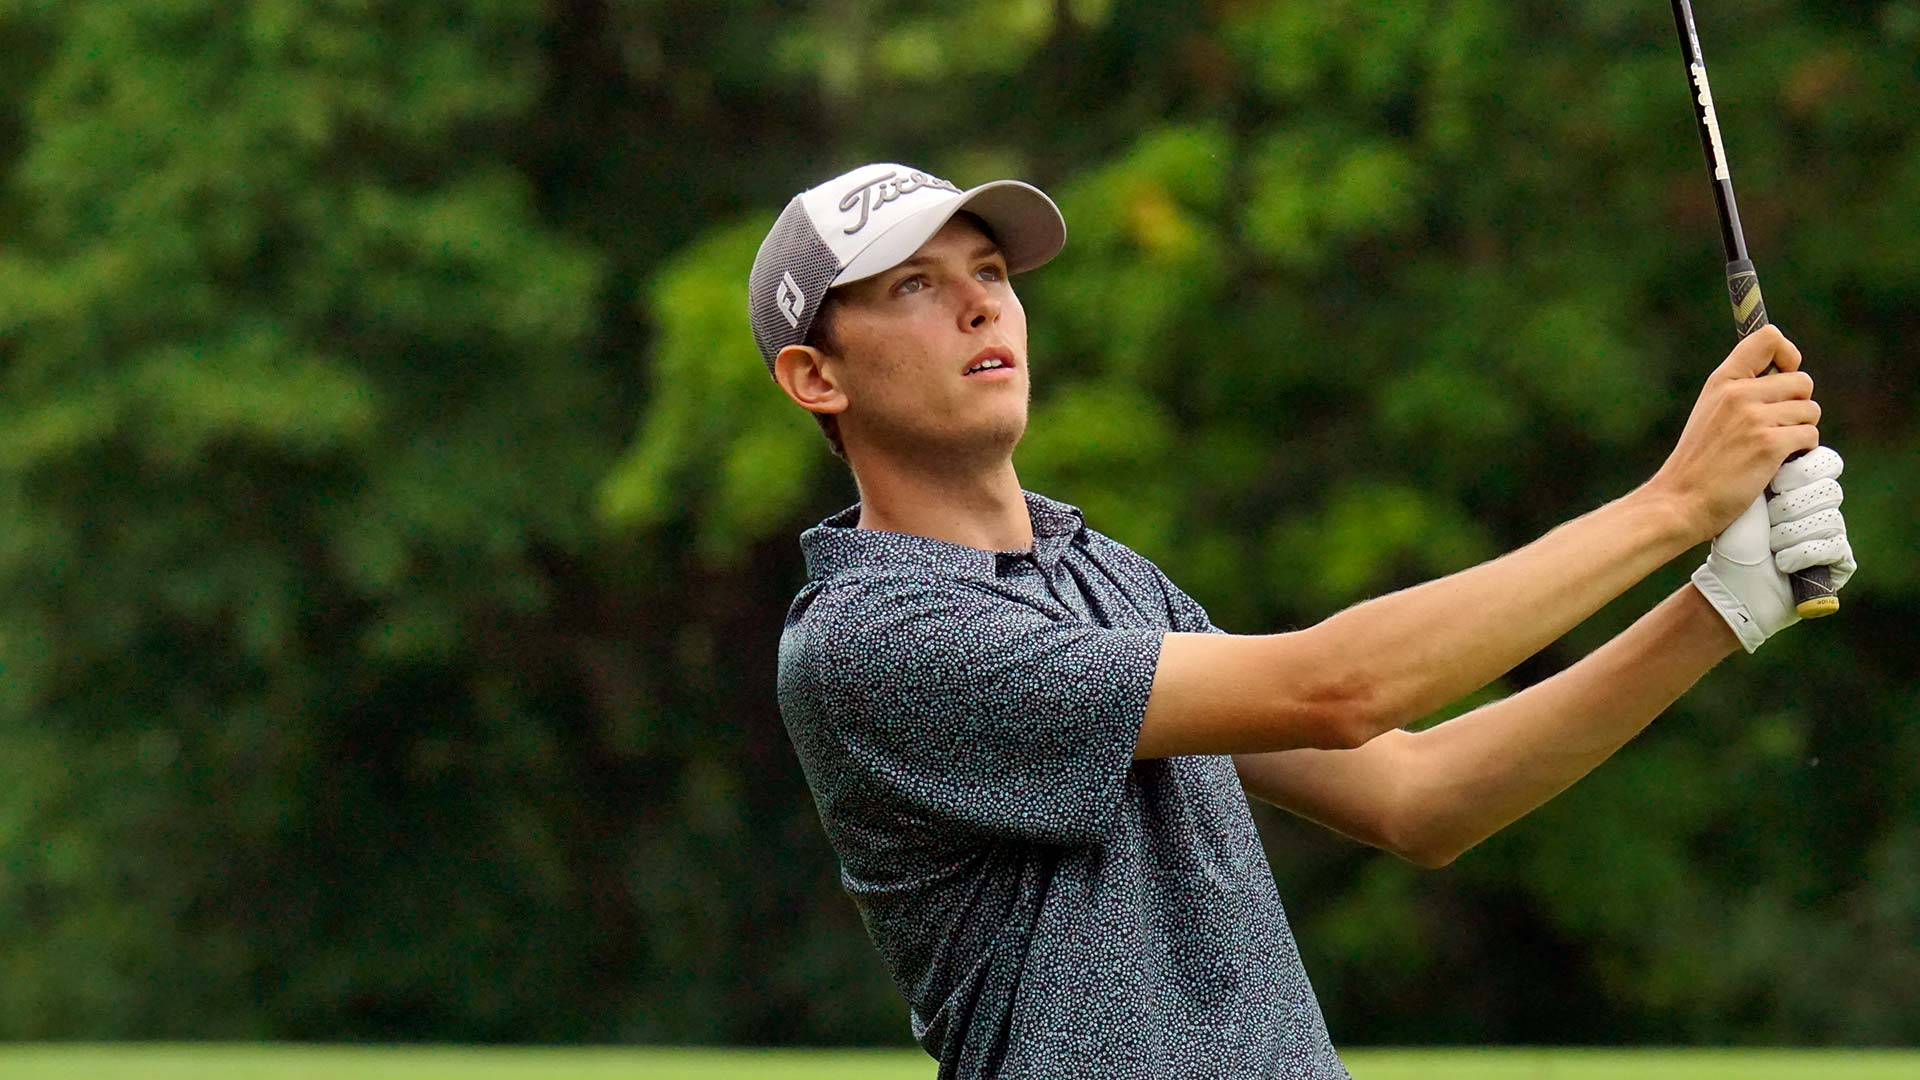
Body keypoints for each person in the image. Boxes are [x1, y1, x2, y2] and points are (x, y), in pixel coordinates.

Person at [747, 162, 1857, 1079]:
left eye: (989, 271)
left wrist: (1721, 606)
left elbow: (1413, 795)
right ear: (815, 377)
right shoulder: (869, 638)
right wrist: (1672, 505)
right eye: (913, 288)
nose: (981, 304)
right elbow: (1338, 691)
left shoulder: (1108, 578)